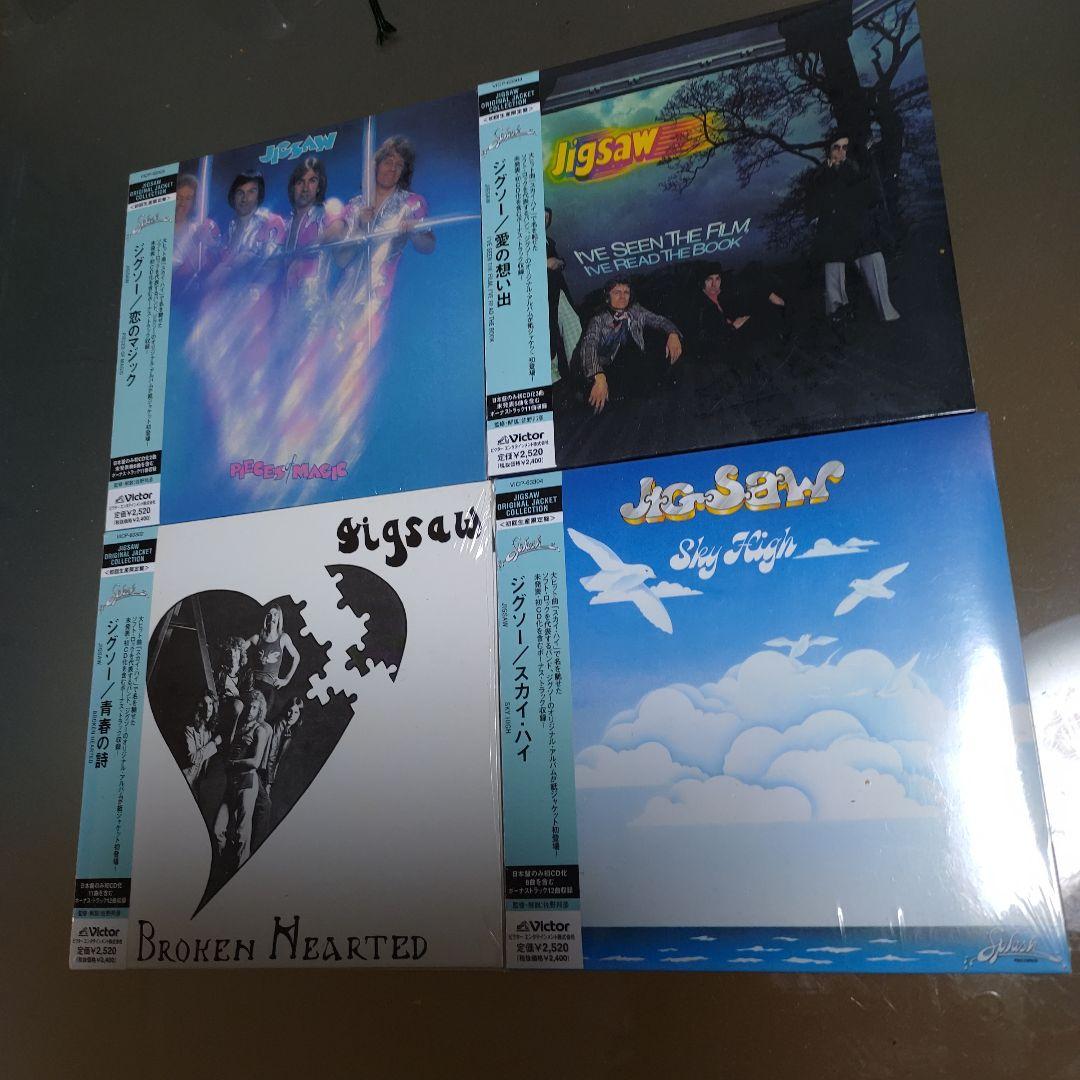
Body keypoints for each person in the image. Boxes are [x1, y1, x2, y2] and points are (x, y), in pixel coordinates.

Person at [809, 131, 899, 325]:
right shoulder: (820, 175)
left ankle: (886, 313)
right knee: (833, 273)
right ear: (829, 149)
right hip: (834, 233)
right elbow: (816, 202)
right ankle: (837, 316)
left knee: (873, 261)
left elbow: (870, 192)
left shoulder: (856, 169)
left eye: (845, 147)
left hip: (858, 229)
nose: (841, 152)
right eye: (836, 147)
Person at [335, 135, 435, 305]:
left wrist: (415, 231)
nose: (393, 169)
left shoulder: (412, 203)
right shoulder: (355, 206)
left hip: (378, 297)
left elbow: (428, 247)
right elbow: (341, 260)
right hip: (343, 299)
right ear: (376, 165)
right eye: (388, 162)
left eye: (399, 165)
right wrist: (360, 227)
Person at [576, 278, 683, 414]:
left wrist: (673, 334)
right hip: (609, 371)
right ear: (607, 298)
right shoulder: (598, 319)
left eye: (626, 292)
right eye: (617, 292)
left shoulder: (635, 310)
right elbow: (589, 346)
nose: (622, 296)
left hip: (636, 368)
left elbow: (658, 320)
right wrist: (598, 376)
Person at [213, 690, 271, 868]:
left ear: (259, 710)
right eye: (249, 707)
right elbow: (229, 748)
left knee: (242, 833)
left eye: (254, 708)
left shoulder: (260, 730)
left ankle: (241, 870)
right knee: (218, 830)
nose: (250, 711)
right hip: (233, 782)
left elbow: (255, 762)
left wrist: (234, 763)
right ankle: (220, 868)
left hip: (247, 781)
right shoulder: (240, 727)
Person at [282, 156, 345, 309]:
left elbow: (337, 231)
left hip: (317, 307)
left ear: (319, 186)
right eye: (300, 182)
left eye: (312, 181)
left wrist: (305, 251)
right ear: (293, 187)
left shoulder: (328, 209)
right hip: (287, 306)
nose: (305, 188)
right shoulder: (286, 224)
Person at [245, 604, 300, 721]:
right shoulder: (257, 638)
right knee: (246, 717)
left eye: (275, 614)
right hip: (253, 684)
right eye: (269, 614)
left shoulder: (283, 638)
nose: (272, 617)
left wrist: (286, 680)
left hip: (268, 687)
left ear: (279, 618)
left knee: (260, 721)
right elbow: (240, 648)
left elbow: (297, 657)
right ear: (265, 617)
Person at [545, 207, 580, 382]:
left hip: (557, 291)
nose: (545, 220)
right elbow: (550, 264)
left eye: (547, 218)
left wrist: (557, 262)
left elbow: (557, 262)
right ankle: (553, 379)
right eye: (541, 216)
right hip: (540, 296)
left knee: (572, 323)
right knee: (547, 334)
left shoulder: (549, 242)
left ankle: (581, 369)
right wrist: (551, 263)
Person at [172, 173, 220, 290]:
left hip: (187, 287)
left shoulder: (200, 227)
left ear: (195, 201)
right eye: (179, 198)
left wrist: (210, 242)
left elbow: (217, 252)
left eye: (188, 198)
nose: (182, 203)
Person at [181, 690, 223, 790]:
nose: (208, 708)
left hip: (197, 783)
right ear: (199, 707)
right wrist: (213, 743)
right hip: (186, 779)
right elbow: (193, 758)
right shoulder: (190, 729)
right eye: (204, 704)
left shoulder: (209, 730)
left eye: (210, 704)